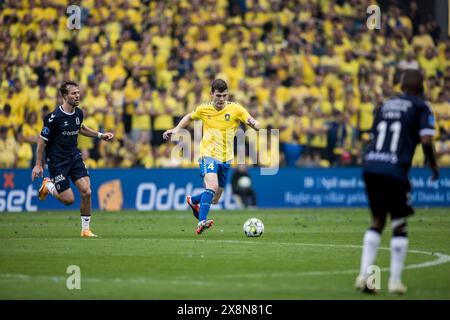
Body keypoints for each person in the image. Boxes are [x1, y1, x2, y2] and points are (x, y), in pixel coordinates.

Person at [355, 70, 439, 294]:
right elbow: (426, 139)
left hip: (371, 166)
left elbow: (374, 137)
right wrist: (432, 164)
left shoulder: (385, 105)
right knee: (398, 224)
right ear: (422, 86)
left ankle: (364, 277)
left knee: (377, 221)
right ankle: (394, 281)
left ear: (401, 86)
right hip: (394, 169)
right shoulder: (421, 107)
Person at [163, 79, 260, 234]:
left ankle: (193, 200)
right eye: (218, 95)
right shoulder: (204, 109)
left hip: (226, 158)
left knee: (215, 199)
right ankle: (202, 221)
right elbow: (189, 116)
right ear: (211, 94)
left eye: (224, 95)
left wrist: (253, 123)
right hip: (208, 154)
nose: (221, 99)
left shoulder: (235, 108)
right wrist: (176, 129)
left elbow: (249, 118)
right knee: (212, 187)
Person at [31, 81, 114, 237]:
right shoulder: (53, 118)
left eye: (78, 92)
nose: (77, 96)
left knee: (87, 191)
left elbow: (80, 127)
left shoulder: (78, 112)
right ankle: (48, 185)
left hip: (74, 157)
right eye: (73, 93)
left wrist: (100, 135)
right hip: (57, 162)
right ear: (64, 96)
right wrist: (38, 165)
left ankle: (85, 230)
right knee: (68, 200)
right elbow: (41, 141)